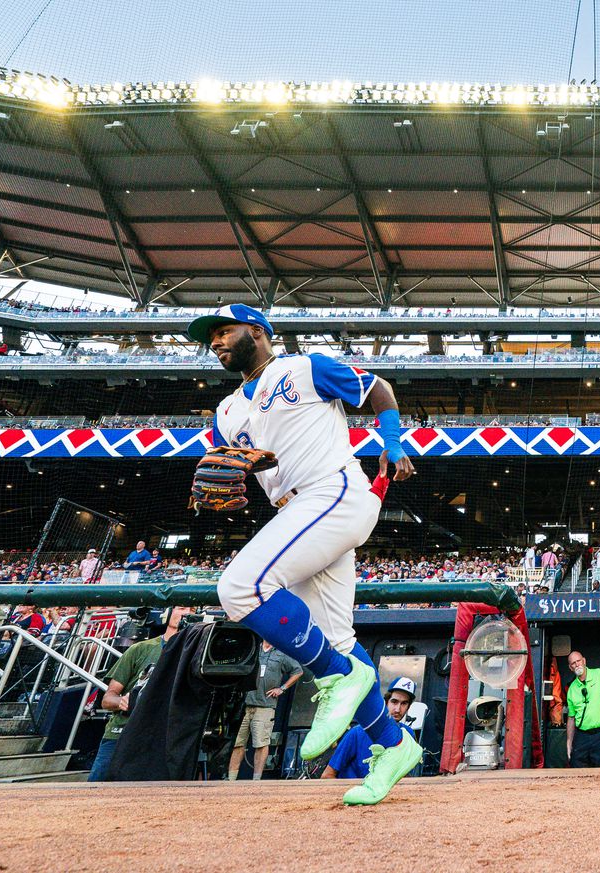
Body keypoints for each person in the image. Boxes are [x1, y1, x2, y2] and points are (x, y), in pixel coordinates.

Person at [188, 303, 421, 805]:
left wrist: (393, 443)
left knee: (239, 587)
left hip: (333, 491)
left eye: (223, 331)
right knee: (338, 638)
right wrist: (234, 478)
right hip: (296, 513)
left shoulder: (303, 367)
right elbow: (234, 466)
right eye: (209, 338)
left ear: (257, 330)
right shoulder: (226, 412)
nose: (214, 342)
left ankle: (338, 676)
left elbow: (378, 389)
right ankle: (393, 744)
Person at [88, 605, 194, 782]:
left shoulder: (195, 656)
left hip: (161, 738)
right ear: (166, 613)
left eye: (192, 610)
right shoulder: (140, 649)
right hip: (121, 731)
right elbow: (107, 699)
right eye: (182, 608)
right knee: (97, 786)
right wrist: (121, 701)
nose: (187, 613)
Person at [228, 641, 303, 781]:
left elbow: (298, 671)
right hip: (244, 704)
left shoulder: (281, 652)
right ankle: (231, 779)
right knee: (237, 743)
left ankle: (256, 781)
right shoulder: (252, 648)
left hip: (265, 706)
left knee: (261, 743)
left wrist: (282, 688)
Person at [322, 677, 417, 779]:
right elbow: (327, 775)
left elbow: (404, 776)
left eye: (404, 703)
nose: (398, 709)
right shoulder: (357, 733)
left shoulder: (408, 734)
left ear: (409, 707)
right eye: (394, 702)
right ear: (386, 702)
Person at [564, 651, 600, 767]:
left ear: (584, 661)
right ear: (570, 668)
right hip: (582, 736)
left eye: (578, 661)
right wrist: (569, 742)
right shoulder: (572, 689)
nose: (577, 665)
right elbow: (571, 718)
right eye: (573, 663)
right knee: (576, 768)